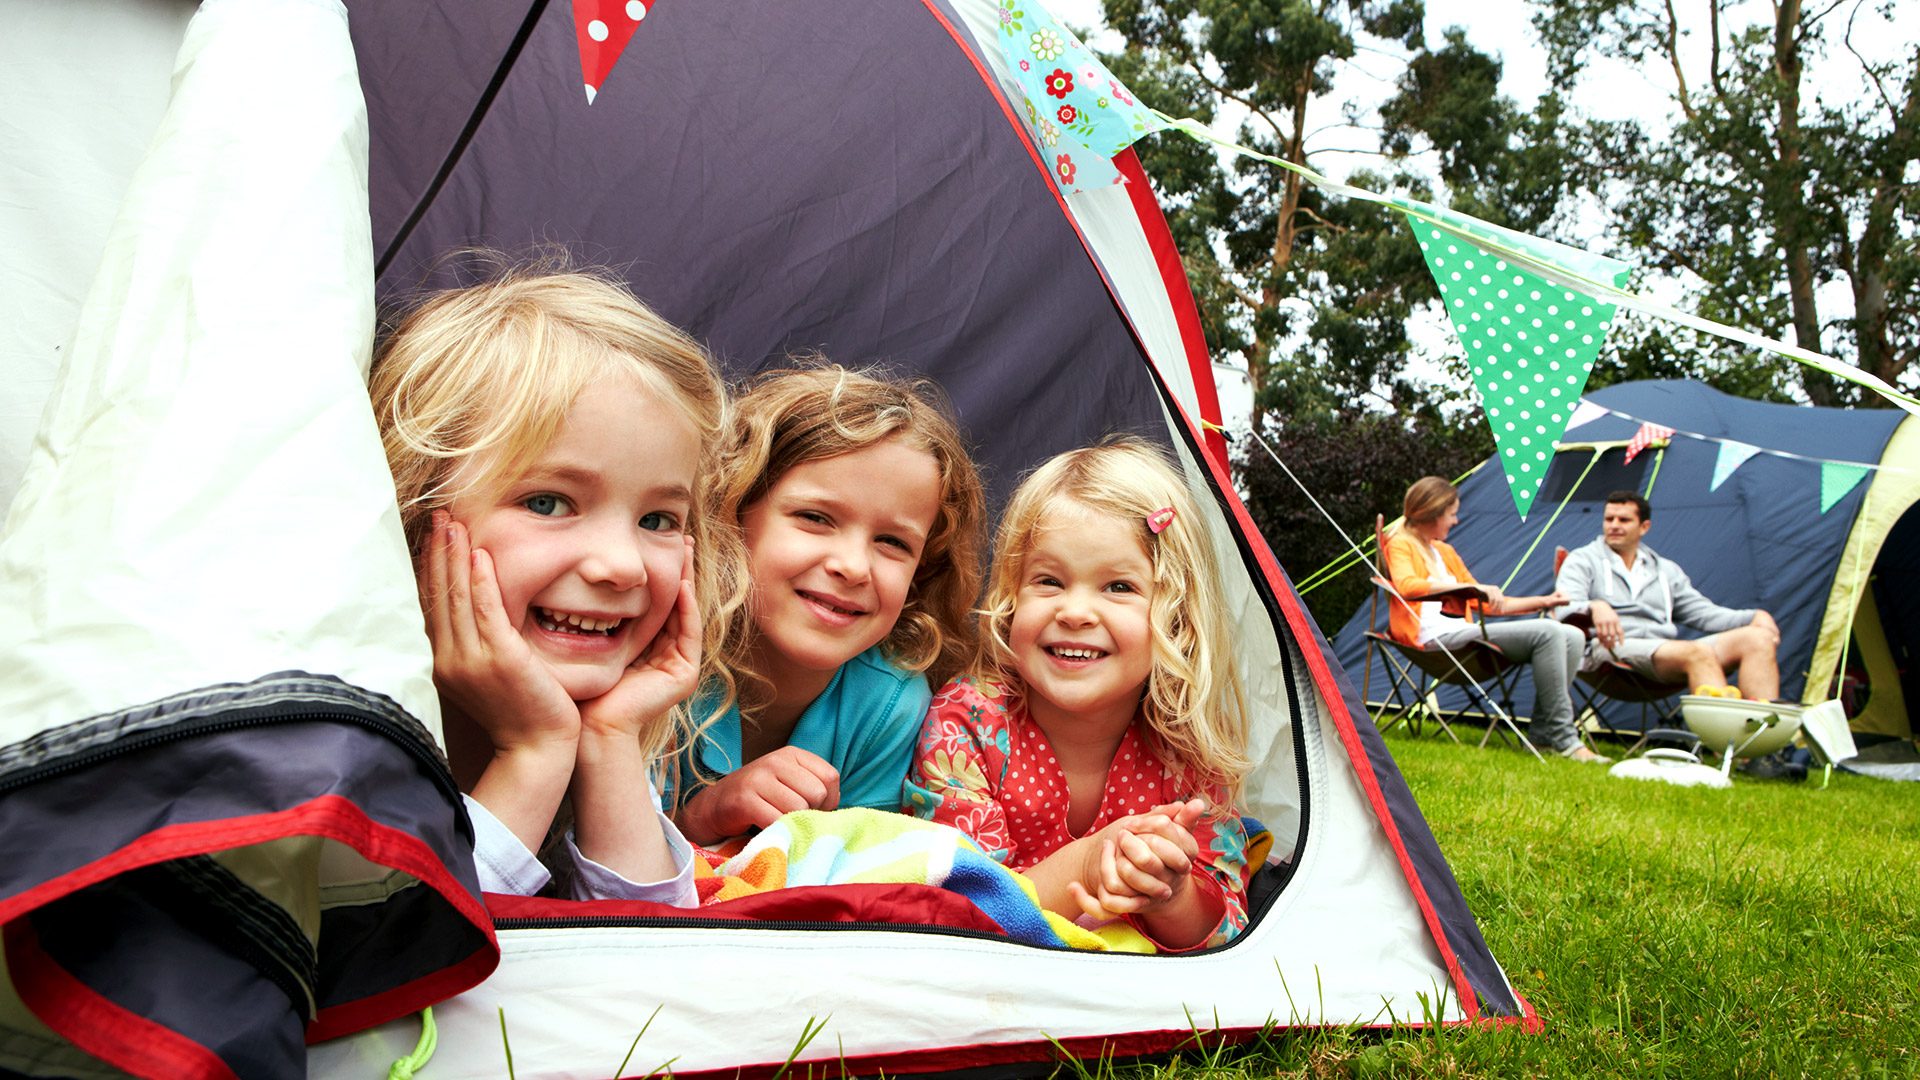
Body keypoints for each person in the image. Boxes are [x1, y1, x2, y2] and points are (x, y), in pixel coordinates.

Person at [371, 263, 736, 902]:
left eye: (657, 519)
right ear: (412, 512)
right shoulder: (345, 745)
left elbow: (654, 973)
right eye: (548, 503)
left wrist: (612, 741)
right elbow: (397, 963)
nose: (621, 565)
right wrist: (532, 754)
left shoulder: (608, 725)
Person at [904, 439, 1253, 952]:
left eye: (1118, 587)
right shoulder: (967, 723)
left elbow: (1226, 933)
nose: (1075, 611)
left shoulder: (1189, 748)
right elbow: (959, 908)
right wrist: (1090, 863)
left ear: (1175, 619)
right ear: (1011, 597)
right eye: (1049, 581)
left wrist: (1170, 895)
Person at [669, 364, 986, 846]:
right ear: (730, 512)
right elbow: (592, 863)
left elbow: (852, 880)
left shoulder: (891, 701)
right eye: (815, 518)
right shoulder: (659, 654)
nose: (854, 566)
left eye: (892, 543)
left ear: (923, 570)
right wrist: (704, 817)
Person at [1383, 477, 1603, 762]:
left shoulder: (1444, 552)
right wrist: (1465, 589)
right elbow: (1406, 586)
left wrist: (1545, 601)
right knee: (1548, 632)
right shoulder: (1400, 543)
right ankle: (1565, 738)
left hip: (1464, 634)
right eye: (1452, 514)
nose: (1456, 521)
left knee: (1571, 634)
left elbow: (1485, 603)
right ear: (1433, 512)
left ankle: (1542, 735)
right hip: (1433, 641)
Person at [1556, 491, 1781, 698]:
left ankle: (1764, 734)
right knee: (1698, 652)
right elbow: (1564, 605)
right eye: (1609, 519)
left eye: (1623, 520)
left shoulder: (1665, 570)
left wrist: (1753, 617)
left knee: (1757, 638)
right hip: (1609, 651)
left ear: (1644, 527)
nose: (1614, 526)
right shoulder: (1582, 559)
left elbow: (1703, 614)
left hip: (1664, 652)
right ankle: (1726, 739)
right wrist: (1595, 606)